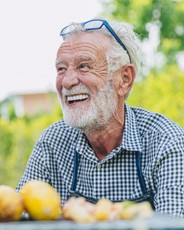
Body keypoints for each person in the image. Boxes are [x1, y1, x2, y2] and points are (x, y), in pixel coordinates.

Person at [16, 18, 184, 217]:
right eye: (61, 69)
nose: (67, 81)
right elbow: (19, 216)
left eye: (84, 66)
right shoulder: (52, 142)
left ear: (124, 79)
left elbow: (172, 225)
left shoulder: (166, 141)